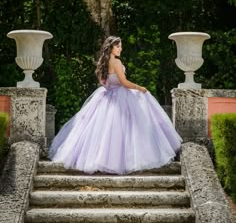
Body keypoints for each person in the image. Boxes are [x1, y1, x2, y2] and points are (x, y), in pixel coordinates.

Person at [49, 36, 182, 174]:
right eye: (118, 46)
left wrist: (112, 87)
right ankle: (126, 159)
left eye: (121, 46)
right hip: (119, 95)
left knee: (103, 131)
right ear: (111, 48)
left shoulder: (103, 62)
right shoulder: (116, 62)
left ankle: (102, 159)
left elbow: (103, 82)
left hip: (107, 95)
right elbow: (124, 83)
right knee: (128, 125)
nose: (120, 49)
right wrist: (139, 87)